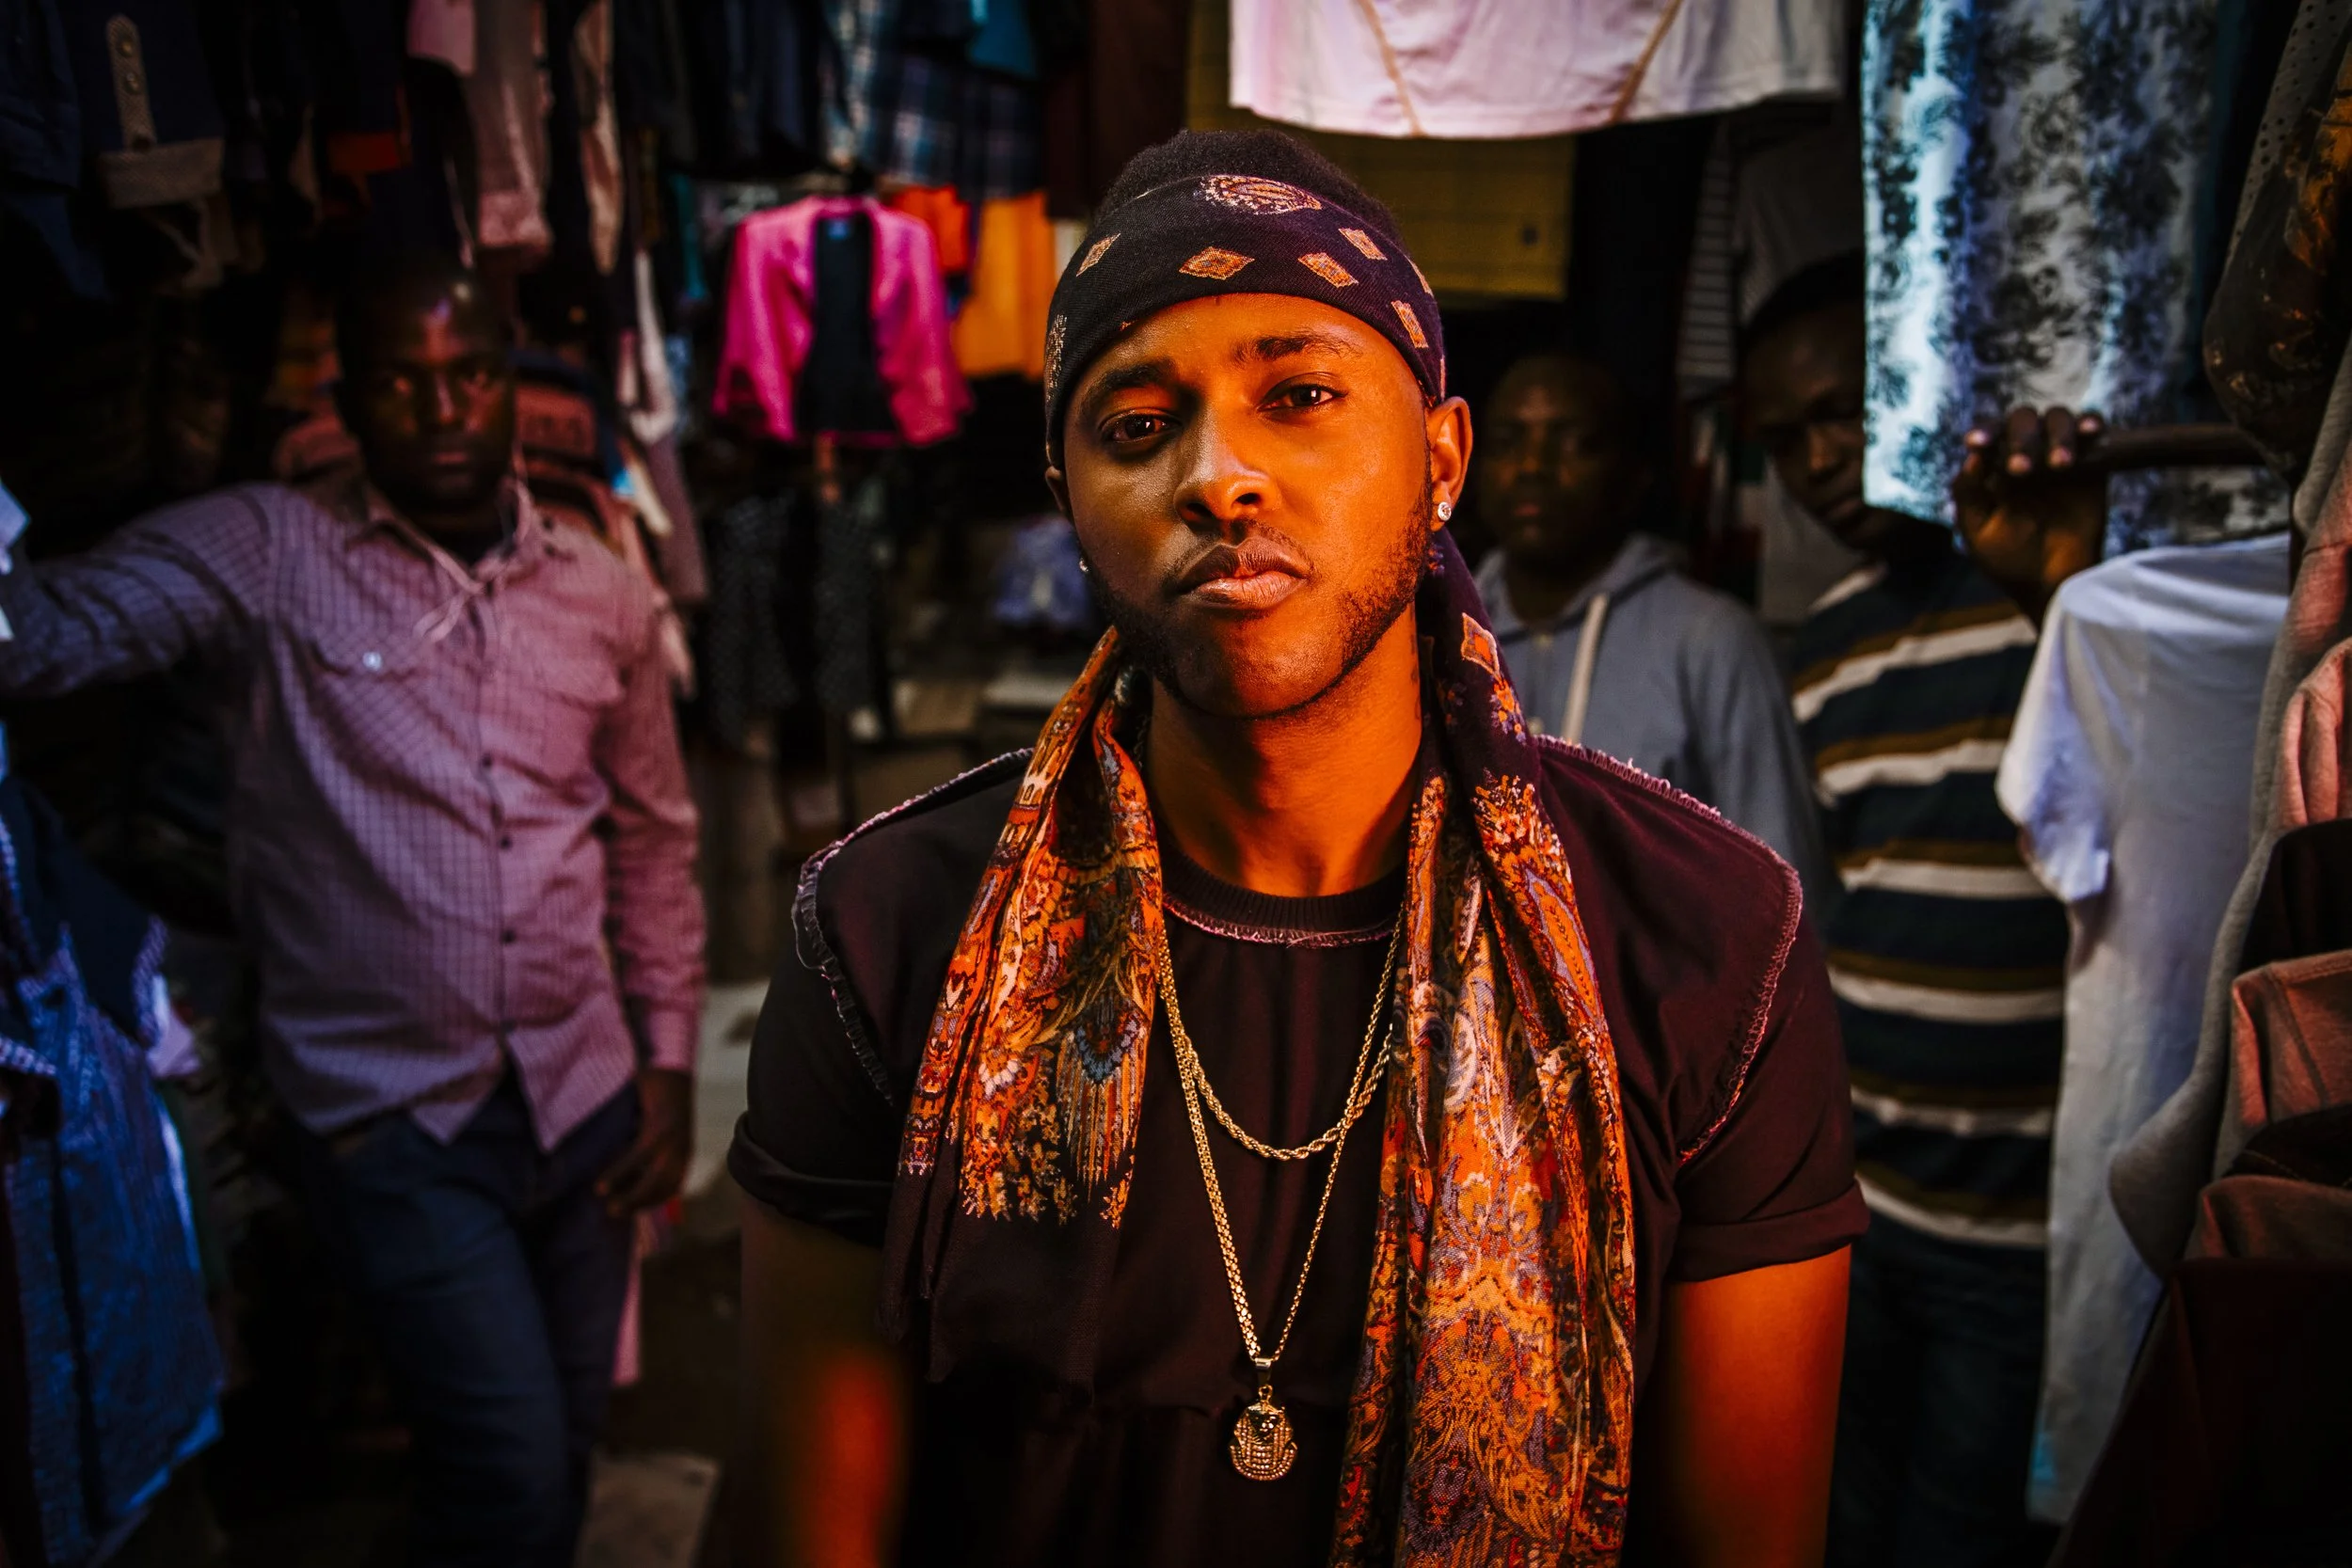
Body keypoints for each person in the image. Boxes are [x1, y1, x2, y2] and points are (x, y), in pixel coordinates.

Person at [734, 128, 1865, 1568]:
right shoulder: (889, 933)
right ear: (1070, 499)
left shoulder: (1705, 940)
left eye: (1302, 396)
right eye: (1137, 425)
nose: (1221, 476)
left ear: (1440, 459)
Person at [0, 253, 705, 1567]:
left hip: (583, 1098)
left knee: (555, 1449)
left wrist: (666, 1055)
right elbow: (38, 634)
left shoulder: (600, 587)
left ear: (510, 385)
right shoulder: (269, 551)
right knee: (505, 1470)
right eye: (401, 380)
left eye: (471, 376)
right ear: (352, 399)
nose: (442, 411)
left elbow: (656, 839)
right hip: (396, 1118)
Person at [1742, 253, 2070, 1568]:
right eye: (1785, 438)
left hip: (2021, 1226)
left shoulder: (2065, 599)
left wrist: (2058, 592)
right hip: (1863, 1212)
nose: (1821, 460)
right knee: (1844, 1519)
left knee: (1960, 1534)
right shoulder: (1821, 645)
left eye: (1847, 415)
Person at [1471, 351, 1832, 906]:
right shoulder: (1440, 637)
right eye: (1505, 442)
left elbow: (1782, 886)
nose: (1532, 467)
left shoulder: (1712, 639)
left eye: (1575, 442)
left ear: (1633, 475)